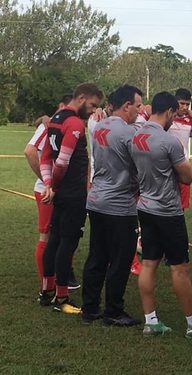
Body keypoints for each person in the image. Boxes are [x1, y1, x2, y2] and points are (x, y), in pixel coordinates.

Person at [131, 91, 192, 337]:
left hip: (145, 207)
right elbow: (187, 177)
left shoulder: (135, 137)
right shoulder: (168, 141)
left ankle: (151, 321)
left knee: (149, 264)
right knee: (179, 268)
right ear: (170, 112)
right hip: (168, 212)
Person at [38, 83, 104, 313]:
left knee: (54, 239)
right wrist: (54, 186)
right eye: (93, 105)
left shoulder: (55, 118)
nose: (94, 110)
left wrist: (48, 185)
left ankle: (46, 291)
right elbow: (63, 161)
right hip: (73, 193)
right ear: (82, 98)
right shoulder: (74, 123)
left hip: (61, 193)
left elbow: (45, 157)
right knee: (67, 242)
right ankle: (62, 297)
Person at [82, 85, 144, 326]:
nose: (140, 111)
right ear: (126, 105)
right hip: (119, 204)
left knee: (97, 254)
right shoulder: (129, 133)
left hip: (97, 200)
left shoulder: (99, 127)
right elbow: (139, 168)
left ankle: (90, 306)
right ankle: (114, 311)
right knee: (121, 258)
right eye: (138, 106)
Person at [25, 95, 79, 297]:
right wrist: (47, 183)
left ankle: (62, 279)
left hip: (61, 191)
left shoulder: (67, 126)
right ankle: (46, 284)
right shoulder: (48, 126)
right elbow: (29, 151)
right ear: (61, 106)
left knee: (63, 236)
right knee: (47, 237)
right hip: (48, 192)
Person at [167, 88, 192, 210]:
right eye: (182, 103)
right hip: (166, 164)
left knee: (182, 202)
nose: (185, 107)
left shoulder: (191, 120)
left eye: (187, 104)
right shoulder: (167, 117)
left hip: (183, 164)